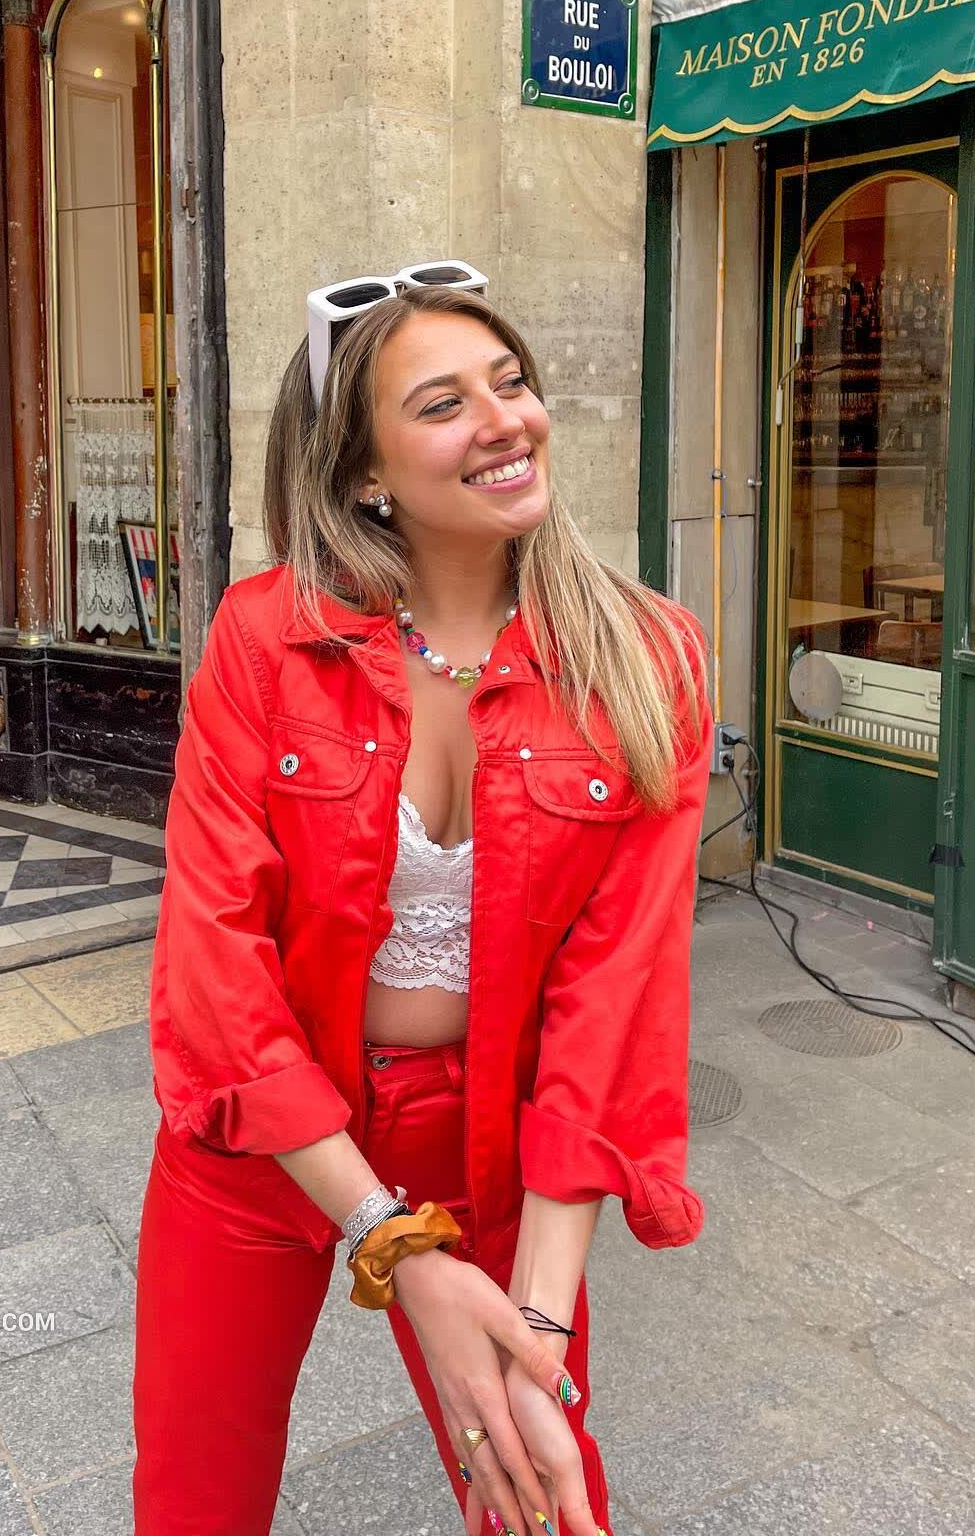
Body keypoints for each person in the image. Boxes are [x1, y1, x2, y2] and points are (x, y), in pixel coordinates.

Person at [133, 275, 713, 1536]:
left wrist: (538, 1324)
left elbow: (615, 1000)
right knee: (194, 1495)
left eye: (511, 382)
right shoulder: (264, 639)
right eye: (443, 403)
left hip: (488, 1141)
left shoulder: (645, 656)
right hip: (267, 1139)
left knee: (540, 1492)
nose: (505, 419)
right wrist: (392, 1242)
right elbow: (216, 966)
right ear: (363, 472)